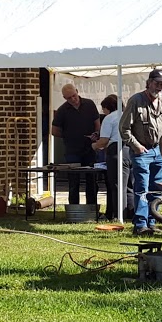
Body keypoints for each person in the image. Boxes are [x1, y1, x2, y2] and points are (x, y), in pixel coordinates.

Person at [121, 69, 162, 236]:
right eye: (157, 83)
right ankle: (140, 224)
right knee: (142, 188)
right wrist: (136, 146)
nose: (159, 87)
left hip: (159, 150)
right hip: (141, 150)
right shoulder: (136, 100)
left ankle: (152, 221)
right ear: (149, 82)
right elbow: (124, 128)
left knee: (157, 188)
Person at [51, 83, 100, 214]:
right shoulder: (62, 110)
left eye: (74, 96)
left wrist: (96, 134)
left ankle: (92, 209)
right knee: (73, 181)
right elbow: (54, 131)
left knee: (91, 179)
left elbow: (97, 122)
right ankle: (74, 209)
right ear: (64, 98)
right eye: (69, 98)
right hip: (72, 149)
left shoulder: (89, 104)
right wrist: (69, 136)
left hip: (89, 148)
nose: (73, 99)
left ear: (77, 92)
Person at [92, 94, 123, 221]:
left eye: (103, 109)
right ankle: (128, 212)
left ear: (107, 107)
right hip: (129, 150)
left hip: (114, 151)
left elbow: (104, 140)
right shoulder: (126, 115)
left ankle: (114, 213)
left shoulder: (109, 118)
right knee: (128, 185)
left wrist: (95, 145)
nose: (103, 112)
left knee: (114, 184)